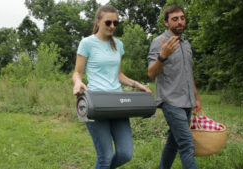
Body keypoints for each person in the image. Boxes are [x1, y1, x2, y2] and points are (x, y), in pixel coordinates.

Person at [72, 5, 151, 169]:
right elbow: (77, 73)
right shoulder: (87, 43)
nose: (112, 26)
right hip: (95, 103)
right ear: (98, 21)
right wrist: (77, 82)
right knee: (105, 156)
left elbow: (119, 75)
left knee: (125, 154)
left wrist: (138, 85)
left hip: (118, 103)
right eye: (108, 22)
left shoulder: (118, 45)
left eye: (116, 23)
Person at [147, 4, 202, 169]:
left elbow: (188, 73)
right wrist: (163, 56)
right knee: (187, 144)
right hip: (170, 101)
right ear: (166, 22)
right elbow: (151, 73)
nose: (180, 22)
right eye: (175, 19)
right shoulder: (159, 42)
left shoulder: (186, 44)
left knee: (173, 143)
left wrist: (196, 98)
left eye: (182, 18)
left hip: (187, 101)